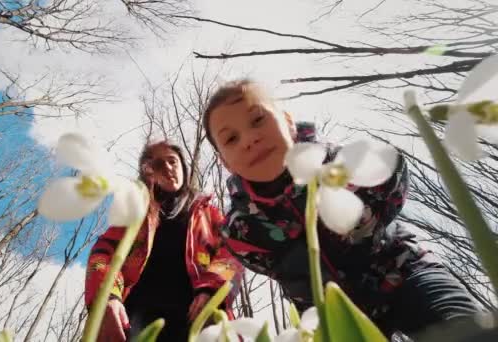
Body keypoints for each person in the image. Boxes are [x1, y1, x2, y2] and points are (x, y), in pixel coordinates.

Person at [202, 79, 480, 337]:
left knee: (462, 329)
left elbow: (392, 179)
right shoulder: (242, 229)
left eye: (258, 119)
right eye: (231, 139)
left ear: (288, 122)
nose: (250, 139)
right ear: (225, 162)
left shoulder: (339, 163)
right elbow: (280, 274)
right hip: (328, 310)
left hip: (402, 272)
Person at [84, 140, 243, 342]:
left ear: (183, 168)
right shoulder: (134, 216)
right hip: (137, 318)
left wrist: (211, 291)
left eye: (172, 161)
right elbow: (103, 253)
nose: (168, 167)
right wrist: (108, 297)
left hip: (200, 316)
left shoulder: (209, 214)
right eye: (159, 164)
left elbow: (231, 254)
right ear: (148, 173)